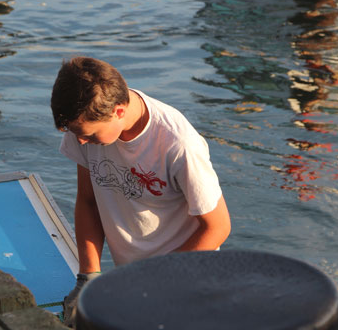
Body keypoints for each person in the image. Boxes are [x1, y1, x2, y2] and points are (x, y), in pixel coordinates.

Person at [50, 56, 231, 327]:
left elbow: (218, 227)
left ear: (118, 112)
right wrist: (87, 277)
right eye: (76, 133)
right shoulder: (84, 124)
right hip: (133, 282)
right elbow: (88, 202)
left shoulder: (178, 145)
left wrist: (153, 280)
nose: (81, 142)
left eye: (90, 136)